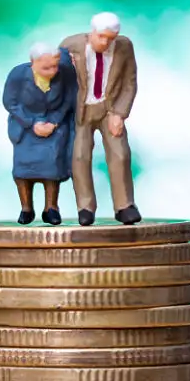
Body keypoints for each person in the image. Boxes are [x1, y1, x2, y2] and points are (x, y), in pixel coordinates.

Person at [57, 12, 141, 225]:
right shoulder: (70, 45)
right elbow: (59, 80)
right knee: (79, 157)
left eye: (111, 38)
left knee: (120, 154)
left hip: (109, 108)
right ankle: (85, 207)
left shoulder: (124, 47)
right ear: (92, 32)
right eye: (101, 36)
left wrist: (119, 113)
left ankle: (124, 205)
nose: (105, 42)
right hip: (81, 110)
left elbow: (130, 81)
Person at [2, 41, 77, 225]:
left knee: (52, 167)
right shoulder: (18, 75)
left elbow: (69, 99)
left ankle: (51, 208)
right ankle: (26, 207)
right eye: (46, 68)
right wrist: (31, 123)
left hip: (54, 126)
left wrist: (54, 122)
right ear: (33, 62)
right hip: (25, 127)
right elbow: (10, 102)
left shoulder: (65, 74)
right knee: (23, 170)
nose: (52, 71)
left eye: (55, 66)